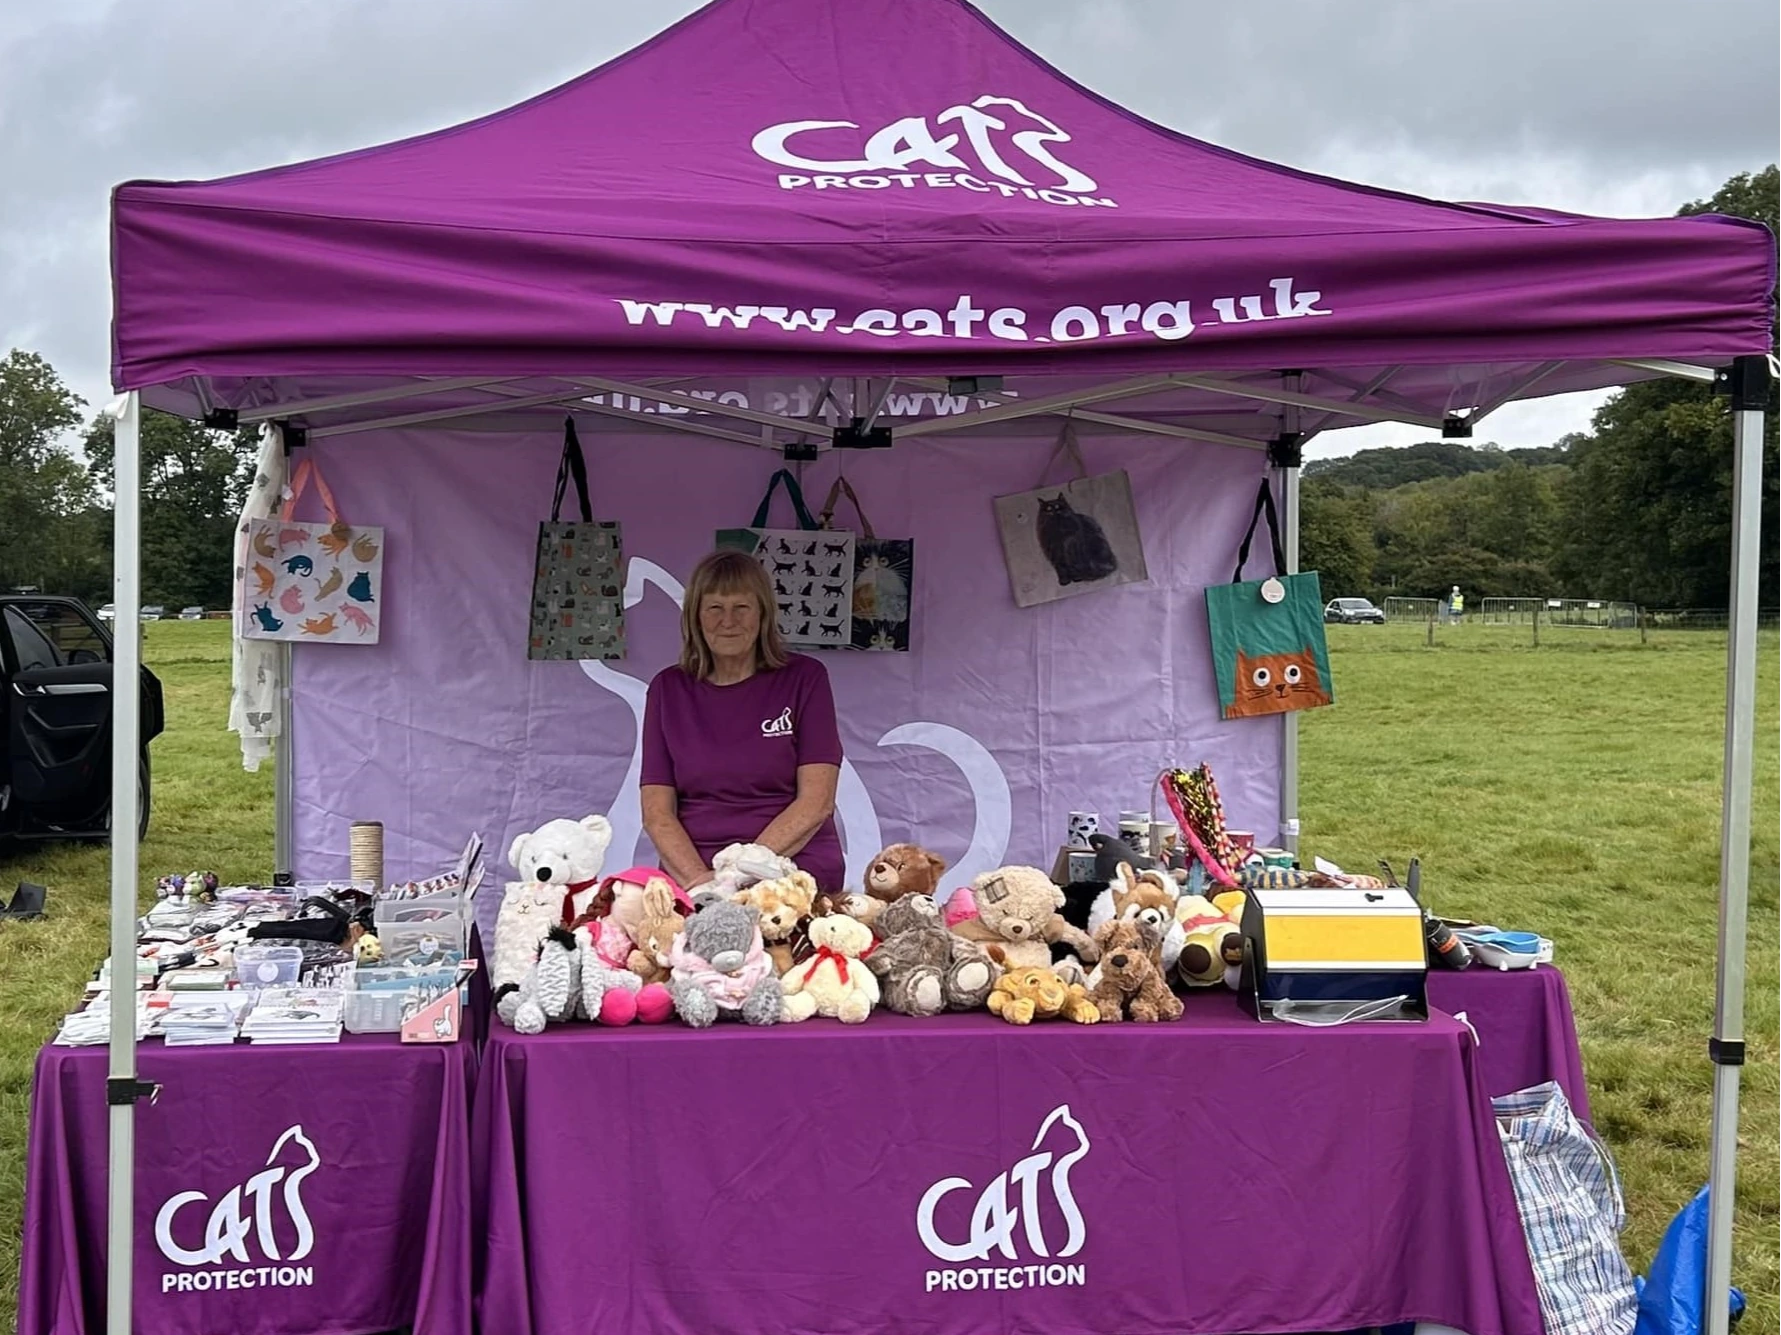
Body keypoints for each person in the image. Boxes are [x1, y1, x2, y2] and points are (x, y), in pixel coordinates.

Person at [640, 550, 844, 893]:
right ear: (695, 617)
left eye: (742, 607)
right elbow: (657, 814)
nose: (728, 620)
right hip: (695, 869)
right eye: (715, 607)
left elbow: (816, 802)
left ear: (762, 614)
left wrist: (739, 874)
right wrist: (702, 885)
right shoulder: (667, 689)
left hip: (791, 865)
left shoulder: (805, 678)